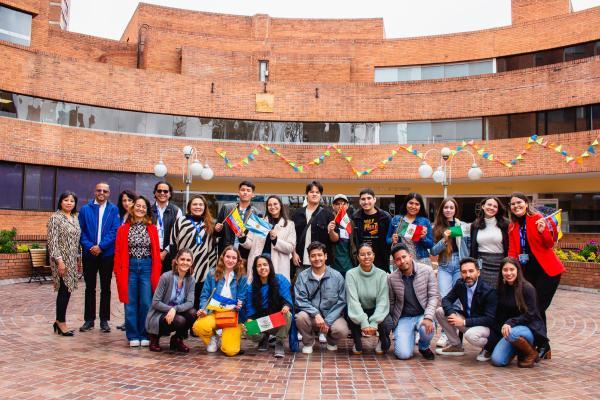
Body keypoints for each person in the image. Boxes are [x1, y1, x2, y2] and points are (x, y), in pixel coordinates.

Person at [508, 192, 563, 359]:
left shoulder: (537, 218)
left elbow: (549, 244)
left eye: (519, 202)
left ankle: (542, 344)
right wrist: (509, 267)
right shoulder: (512, 226)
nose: (516, 206)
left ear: (526, 203)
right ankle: (544, 346)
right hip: (528, 273)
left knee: (537, 308)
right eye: (513, 204)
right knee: (535, 308)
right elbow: (512, 250)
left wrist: (543, 231)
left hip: (547, 271)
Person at [114, 195, 162, 347]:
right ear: (132, 207)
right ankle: (133, 335)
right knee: (130, 302)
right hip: (130, 267)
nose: (140, 209)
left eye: (144, 207)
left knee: (146, 302)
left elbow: (156, 252)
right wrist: (117, 271)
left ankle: (144, 334)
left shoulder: (152, 229)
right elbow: (118, 252)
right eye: (138, 206)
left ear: (147, 210)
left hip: (147, 267)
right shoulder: (123, 229)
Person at [382, 243, 438, 360]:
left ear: (410, 256)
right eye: (398, 259)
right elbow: (391, 302)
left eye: (404, 257)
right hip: (404, 318)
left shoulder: (427, 271)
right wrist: (394, 322)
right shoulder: (391, 278)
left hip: (423, 314)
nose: (402, 261)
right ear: (395, 262)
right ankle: (408, 337)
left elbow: (433, 296)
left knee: (425, 329)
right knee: (403, 355)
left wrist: (428, 317)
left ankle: (423, 347)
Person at [488, 257, 547, 368]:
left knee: (512, 333)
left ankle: (531, 353)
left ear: (518, 270)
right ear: (501, 272)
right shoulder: (502, 288)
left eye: (512, 269)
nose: (508, 273)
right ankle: (518, 349)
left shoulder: (527, 288)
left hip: (529, 329)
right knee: (497, 361)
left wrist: (510, 322)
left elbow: (531, 314)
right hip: (510, 331)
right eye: (505, 270)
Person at [435, 257, 497, 361]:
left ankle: (489, 348)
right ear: (460, 273)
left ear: (478, 272)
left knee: (470, 335)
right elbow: (446, 299)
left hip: (487, 328)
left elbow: (489, 319)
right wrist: (451, 313)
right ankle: (456, 346)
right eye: (464, 272)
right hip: (469, 321)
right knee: (440, 311)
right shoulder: (460, 284)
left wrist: (464, 322)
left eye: (471, 271)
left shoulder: (488, 291)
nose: (468, 275)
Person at [78, 182, 120, 333]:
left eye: (105, 191)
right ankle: (89, 320)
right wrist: (90, 246)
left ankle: (104, 320)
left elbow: (114, 230)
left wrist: (101, 246)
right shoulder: (85, 209)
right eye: (99, 190)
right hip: (89, 254)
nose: (102, 193)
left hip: (106, 254)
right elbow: (80, 230)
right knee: (89, 288)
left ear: (109, 193)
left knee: (105, 288)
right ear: (94, 192)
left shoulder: (113, 209)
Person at [192, 246, 248, 356]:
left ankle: (226, 338)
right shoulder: (212, 273)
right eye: (228, 257)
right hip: (214, 313)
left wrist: (240, 304)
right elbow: (204, 296)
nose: (230, 260)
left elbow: (243, 298)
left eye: (234, 258)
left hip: (232, 315)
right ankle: (213, 337)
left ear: (238, 260)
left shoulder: (242, 277)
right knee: (199, 326)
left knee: (230, 351)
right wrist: (203, 309)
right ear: (223, 257)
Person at [294, 241, 348, 354]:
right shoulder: (302, 276)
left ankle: (331, 341)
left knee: (342, 330)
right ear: (309, 258)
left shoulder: (337, 276)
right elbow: (300, 300)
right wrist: (316, 314)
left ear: (325, 256)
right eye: (313, 256)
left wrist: (328, 321)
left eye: (320, 255)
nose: (317, 258)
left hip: (332, 316)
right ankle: (309, 342)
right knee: (300, 317)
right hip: (311, 316)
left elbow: (342, 301)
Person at [430, 198, 471, 348]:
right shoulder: (436, 227)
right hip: (445, 265)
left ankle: (452, 334)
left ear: (455, 210)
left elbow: (469, 246)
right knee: (445, 299)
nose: (448, 210)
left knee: (457, 301)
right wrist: (444, 239)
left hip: (459, 264)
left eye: (451, 207)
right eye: (446, 207)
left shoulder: (462, 226)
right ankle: (444, 333)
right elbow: (433, 251)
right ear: (442, 209)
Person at [169, 195, 218, 311]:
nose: (198, 207)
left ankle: (196, 322)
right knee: (181, 299)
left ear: (204, 207)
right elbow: (173, 242)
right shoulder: (181, 221)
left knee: (198, 300)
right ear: (189, 207)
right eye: (195, 204)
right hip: (184, 267)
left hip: (202, 268)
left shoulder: (209, 224)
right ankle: (181, 321)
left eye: (201, 204)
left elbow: (213, 247)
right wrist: (175, 262)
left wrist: (212, 267)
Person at [146, 248, 197, 352]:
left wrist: (174, 309)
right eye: (182, 259)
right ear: (176, 261)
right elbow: (155, 302)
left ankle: (177, 339)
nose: (185, 262)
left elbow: (190, 302)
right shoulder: (166, 277)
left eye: (188, 260)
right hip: (160, 313)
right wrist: (170, 309)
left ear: (191, 263)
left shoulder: (191, 280)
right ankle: (154, 337)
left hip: (176, 312)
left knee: (193, 313)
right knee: (180, 320)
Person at [246, 255, 295, 358]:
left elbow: (287, 298)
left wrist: (286, 306)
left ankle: (279, 342)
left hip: (276, 320)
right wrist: (250, 319)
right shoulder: (251, 287)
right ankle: (263, 337)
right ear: (255, 269)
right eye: (259, 266)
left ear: (270, 266)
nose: (262, 268)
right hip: (263, 321)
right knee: (248, 328)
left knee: (287, 315)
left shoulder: (280, 279)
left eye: (265, 264)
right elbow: (250, 309)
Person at [47, 191, 81, 336]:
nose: (69, 203)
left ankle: (59, 321)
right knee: (63, 290)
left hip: (72, 260)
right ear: (60, 202)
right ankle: (61, 322)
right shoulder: (55, 218)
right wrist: (60, 262)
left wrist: (78, 258)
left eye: (72, 201)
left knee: (67, 291)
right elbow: (53, 243)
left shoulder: (74, 218)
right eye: (66, 200)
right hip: (61, 260)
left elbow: (76, 241)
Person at [345, 243, 389, 355]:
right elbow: (353, 301)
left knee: (387, 321)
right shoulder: (351, 274)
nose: (366, 257)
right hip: (359, 309)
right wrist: (363, 322)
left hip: (375, 309)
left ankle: (382, 339)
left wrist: (374, 322)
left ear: (373, 255)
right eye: (362, 254)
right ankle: (357, 340)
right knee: (350, 313)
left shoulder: (382, 274)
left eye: (369, 254)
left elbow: (383, 301)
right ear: (358, 257)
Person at [240, 195, 296, 280]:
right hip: (258, 264)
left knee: (276, 286)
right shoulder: (259, 222)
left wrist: (275, 239)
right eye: (269, 205)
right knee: (257, 287)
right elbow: (249, 244)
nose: (272, 207)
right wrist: (242, 238)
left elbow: (290, 248)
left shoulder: (289, 224)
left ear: (281, 205)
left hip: (278, 266)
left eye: (275, 204)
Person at [292, 181, 334, 276]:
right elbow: (292, 236)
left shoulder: (328, 214)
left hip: (321, 262)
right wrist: (294, 253)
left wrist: (331, 231)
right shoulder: (297, 214)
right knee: (302, 285)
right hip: (301, 261)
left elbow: (335, 239)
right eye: (311, 192)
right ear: (306, 194)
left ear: (321, 195)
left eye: (317, 192)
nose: (314, 194)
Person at [470, 196, 509, 289]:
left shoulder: (506, 224)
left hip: (500, 264)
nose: (491, 208)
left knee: (499, 291)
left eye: (495, 206)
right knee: (483, 291)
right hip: (481, 265)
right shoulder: (475, 225)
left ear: (498, 209)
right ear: (483, 206)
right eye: (489, 204)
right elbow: (473, 247)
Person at [215, 180, 259, 260]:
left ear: (253, 194)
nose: (245, 192)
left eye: (248, 190)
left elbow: (256, 239)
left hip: (244, 254)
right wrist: (217, 229)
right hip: (226, 251)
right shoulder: (227, 208)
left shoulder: (256, 213)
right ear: (238, 192)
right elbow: (216, 233)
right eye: (243, 190)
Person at [386, 193, 433, 265]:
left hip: (421, 261)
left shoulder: (425, 221)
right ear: (406, 203)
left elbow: (430, 244)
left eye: (417, 204)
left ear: (420, 206)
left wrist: (424, 238)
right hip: (402, 260)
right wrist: (392, 239)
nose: (413, 206)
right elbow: (387, 240)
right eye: (411, 203)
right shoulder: (396, 219)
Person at [352, 188, 391, 272]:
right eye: (363, 199)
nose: (366, 202)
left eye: (369, 198)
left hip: (381, 258)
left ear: (374, 199)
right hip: (363, 258)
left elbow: (390, 237)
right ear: (359, 201)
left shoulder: (385, 217)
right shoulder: (355, 217)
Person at [151, 181, 182, 273]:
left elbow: (178, 235)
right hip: (150, 253)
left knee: (167, 280)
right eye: (159, 191)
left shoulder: (176, 211)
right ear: (155, 193)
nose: (162, 193)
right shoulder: (148, 210)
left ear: (170, 194)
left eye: (165, 191)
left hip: (169, 254)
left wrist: (165, 252)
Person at [116, 189, 136, 331]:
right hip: (122, 258)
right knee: (125, 290)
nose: (127, 203)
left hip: (133, 259)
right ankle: (127, 320)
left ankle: (132, 321)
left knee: (134, 292)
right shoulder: (120, 216)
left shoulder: (136, 217)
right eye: (124, 200)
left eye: (129, 200)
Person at [327, 194, 357, 277]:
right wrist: (331, 230)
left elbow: (353, 242)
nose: (340, 206)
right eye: (337, 204)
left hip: (349, 264)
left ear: (347, 206)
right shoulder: (329, 219)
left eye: (343, 204)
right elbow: (332, 239)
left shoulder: (351, 222)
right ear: (333, 206)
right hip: (333, 265)